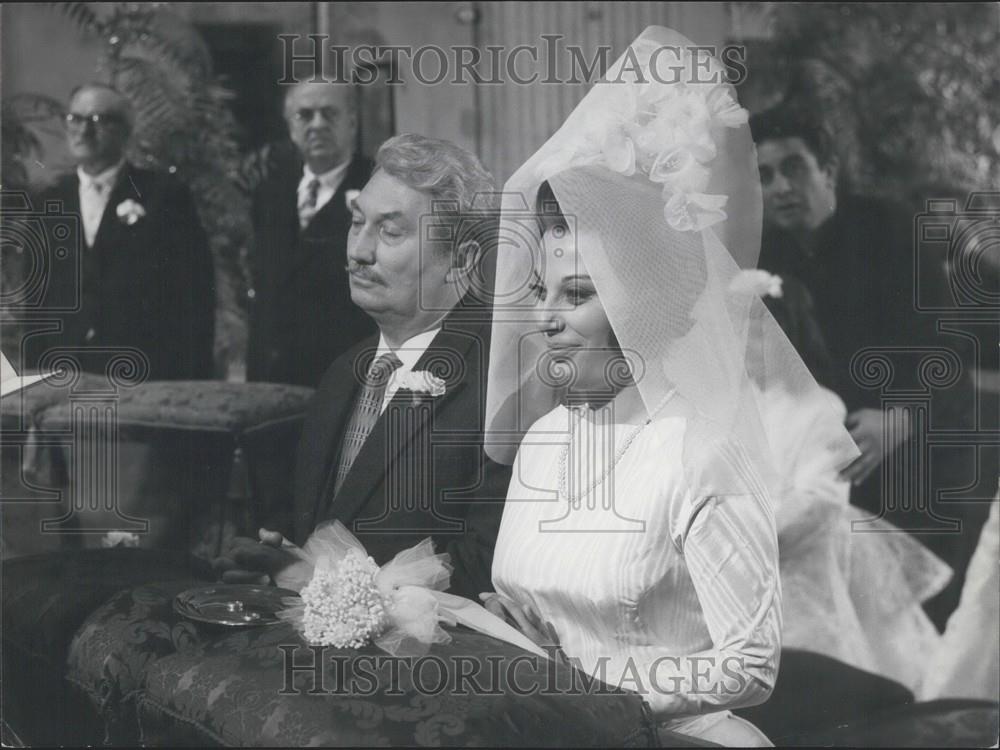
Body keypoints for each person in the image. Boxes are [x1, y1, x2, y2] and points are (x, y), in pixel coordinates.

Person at [478, 28, 857, 746]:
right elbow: (537, 615)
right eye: (542, 291)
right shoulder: (541, 440)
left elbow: (750, 664)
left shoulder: (703, 453)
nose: (544, 318)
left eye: (577, 293)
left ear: (639, 308)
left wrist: (596, 698)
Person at [215, 134, 509, 599]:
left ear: (463, 260)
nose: (358, 251)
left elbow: (492, 567)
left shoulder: (502, 379)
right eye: (357, 223)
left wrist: (323, 584)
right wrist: (287, 565)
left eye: (390, 232)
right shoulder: (343, 372)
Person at [749, 106, 978, 624]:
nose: (781, 187)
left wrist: (899, 420)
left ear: (828, 169)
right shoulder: (766, 253)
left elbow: (947, 352)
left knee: (910, 617)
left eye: (795, 168)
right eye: (765, 176)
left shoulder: (890, 231)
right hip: (829, 459)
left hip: (919, 446)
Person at [746, 273, 950, 694]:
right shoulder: (732, 405)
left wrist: (746, 533)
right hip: (741, 561)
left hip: (798, 560)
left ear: (784, 336)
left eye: (754, 336)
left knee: (813, 677)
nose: (741, 349)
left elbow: (819, 501)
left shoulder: (819, 408)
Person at [27, 83, 215, 380]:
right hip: (63, 368)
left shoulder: (162, 195)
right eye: (75, 119)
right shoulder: (49, 201)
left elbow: (195, 292)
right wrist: (34, 377)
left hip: (142, 367)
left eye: (99, 120)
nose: (84, 130)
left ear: (125, 132)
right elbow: (36, 300)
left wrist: (191, 377)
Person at [246, 81, 377, 387]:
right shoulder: (270, 192)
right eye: (305, 115)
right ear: (291, 127)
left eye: (329, 114)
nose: (317, 125)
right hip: (275, 379)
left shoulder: (378, 186)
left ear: (352, 122)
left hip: (346, 375)